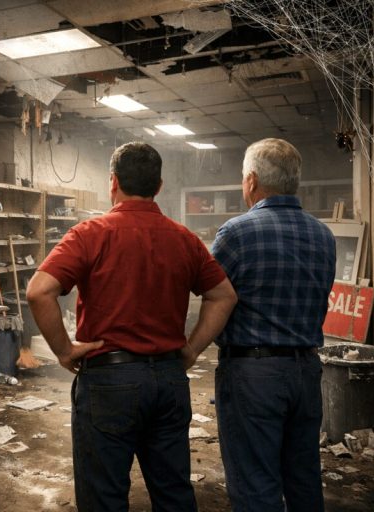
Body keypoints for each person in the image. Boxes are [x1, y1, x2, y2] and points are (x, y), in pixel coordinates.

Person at [26, 142, 237, 512]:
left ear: (113, 182)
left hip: (109, 381)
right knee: (173, 494)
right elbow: (223, 295)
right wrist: (190, 349)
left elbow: (39, 291)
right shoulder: (184, 238)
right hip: (170, 380)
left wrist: (64, 350)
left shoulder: (89, 233)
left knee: (104, 498)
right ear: (158, 186)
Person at [211, 138, 336, 511]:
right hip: (307, 372)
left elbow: (211, 294)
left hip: (254, 375)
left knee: (255, 485)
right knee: (303, 478)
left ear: (251, 181)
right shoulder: (324, 236)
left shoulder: (236, 233)